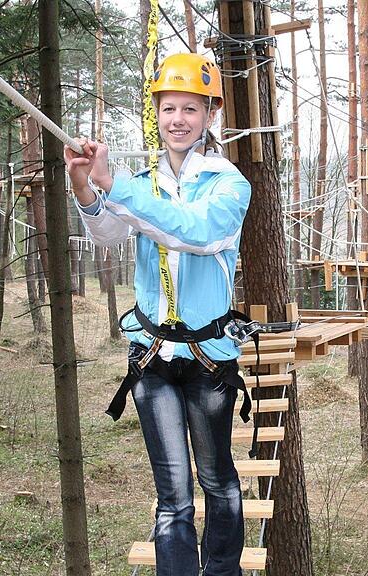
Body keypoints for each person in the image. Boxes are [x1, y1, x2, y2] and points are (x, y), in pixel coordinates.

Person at [64, 52, 251, 576]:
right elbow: (109, 233)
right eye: (169, 108)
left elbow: (196, 233)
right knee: (172, 494)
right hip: (152, 356)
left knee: (217, 480)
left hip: (209, 356)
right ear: (157, 112)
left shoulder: (228, 183)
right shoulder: (143, 184)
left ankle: (221, 571)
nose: (178, 120)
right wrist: (86, 187)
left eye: (190, 109)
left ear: (209, 115)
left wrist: (117, 186)